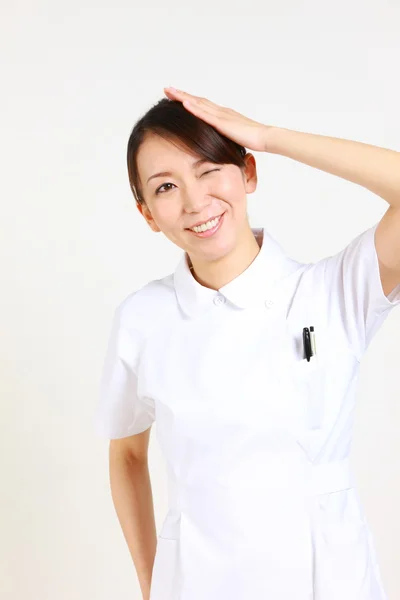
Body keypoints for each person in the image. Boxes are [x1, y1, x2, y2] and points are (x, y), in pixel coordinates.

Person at [95, 87, 400, 600]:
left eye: (209, 169)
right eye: (166, 187)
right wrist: (151, 583)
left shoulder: (333, 293)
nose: (196, 202)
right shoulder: (142, 319)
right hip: (194, 583)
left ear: (248, 173)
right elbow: (126, 454)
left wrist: (268, 135)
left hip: (325, 580)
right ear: (148, 213)